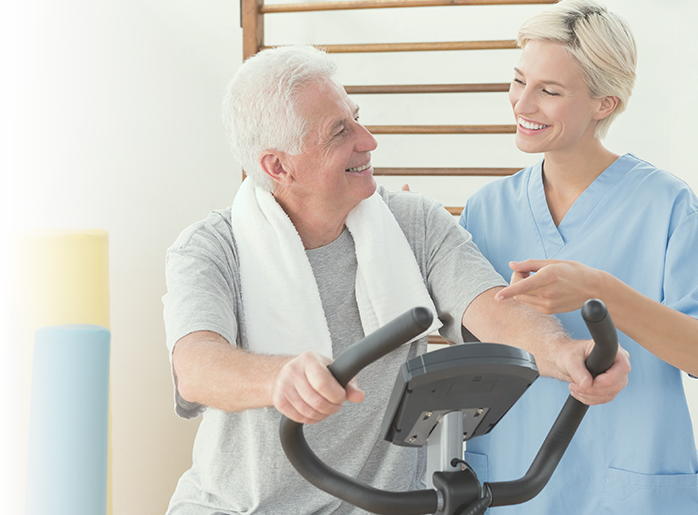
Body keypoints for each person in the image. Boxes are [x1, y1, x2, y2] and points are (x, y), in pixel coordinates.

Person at [163, 44, 629, 515]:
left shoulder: (413, 223)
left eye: (357, 117)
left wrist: (564, 354)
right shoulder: (210, 247)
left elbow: (491, 306)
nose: (367, 140)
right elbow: (197, 365)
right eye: (339, 132)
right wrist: (278, 378)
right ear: (278, 167)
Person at [459, 1, 698, 513]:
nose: (523, 103)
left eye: (549, 91)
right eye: (519, 81)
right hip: (509, 475)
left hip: (630, 481)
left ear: (603, 104)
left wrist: (599, 290)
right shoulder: (484, 210)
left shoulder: (667, 205)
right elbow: (462, 340)